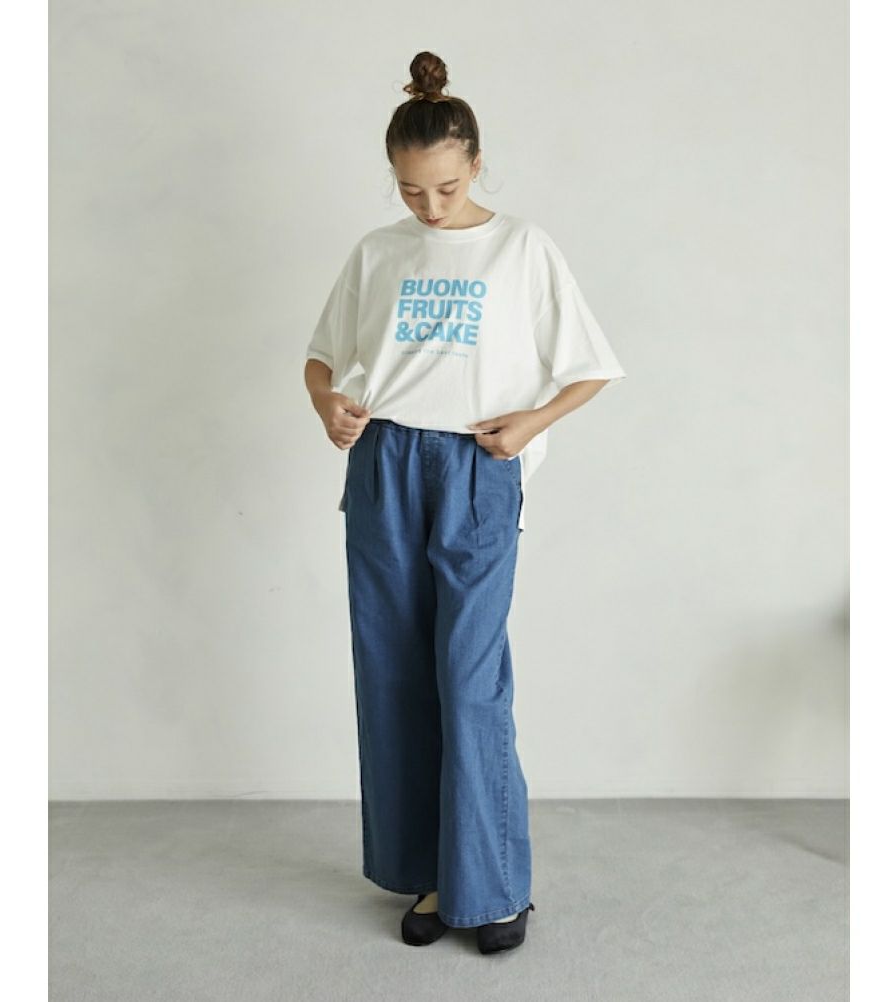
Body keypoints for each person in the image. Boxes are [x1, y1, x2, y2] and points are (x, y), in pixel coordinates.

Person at [303, 51, 627, 954]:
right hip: (385, 464)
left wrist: (533, 421)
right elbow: (323, 357)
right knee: (393, 672)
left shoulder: (524, 249)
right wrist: (329, 405)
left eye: (446, 187)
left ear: (476, 163)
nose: (431, 206)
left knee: (469, 679)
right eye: (412, 190)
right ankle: (432, 874)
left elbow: (591, 366)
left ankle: (494, 888)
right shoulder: (378, 253)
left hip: (478, 466)